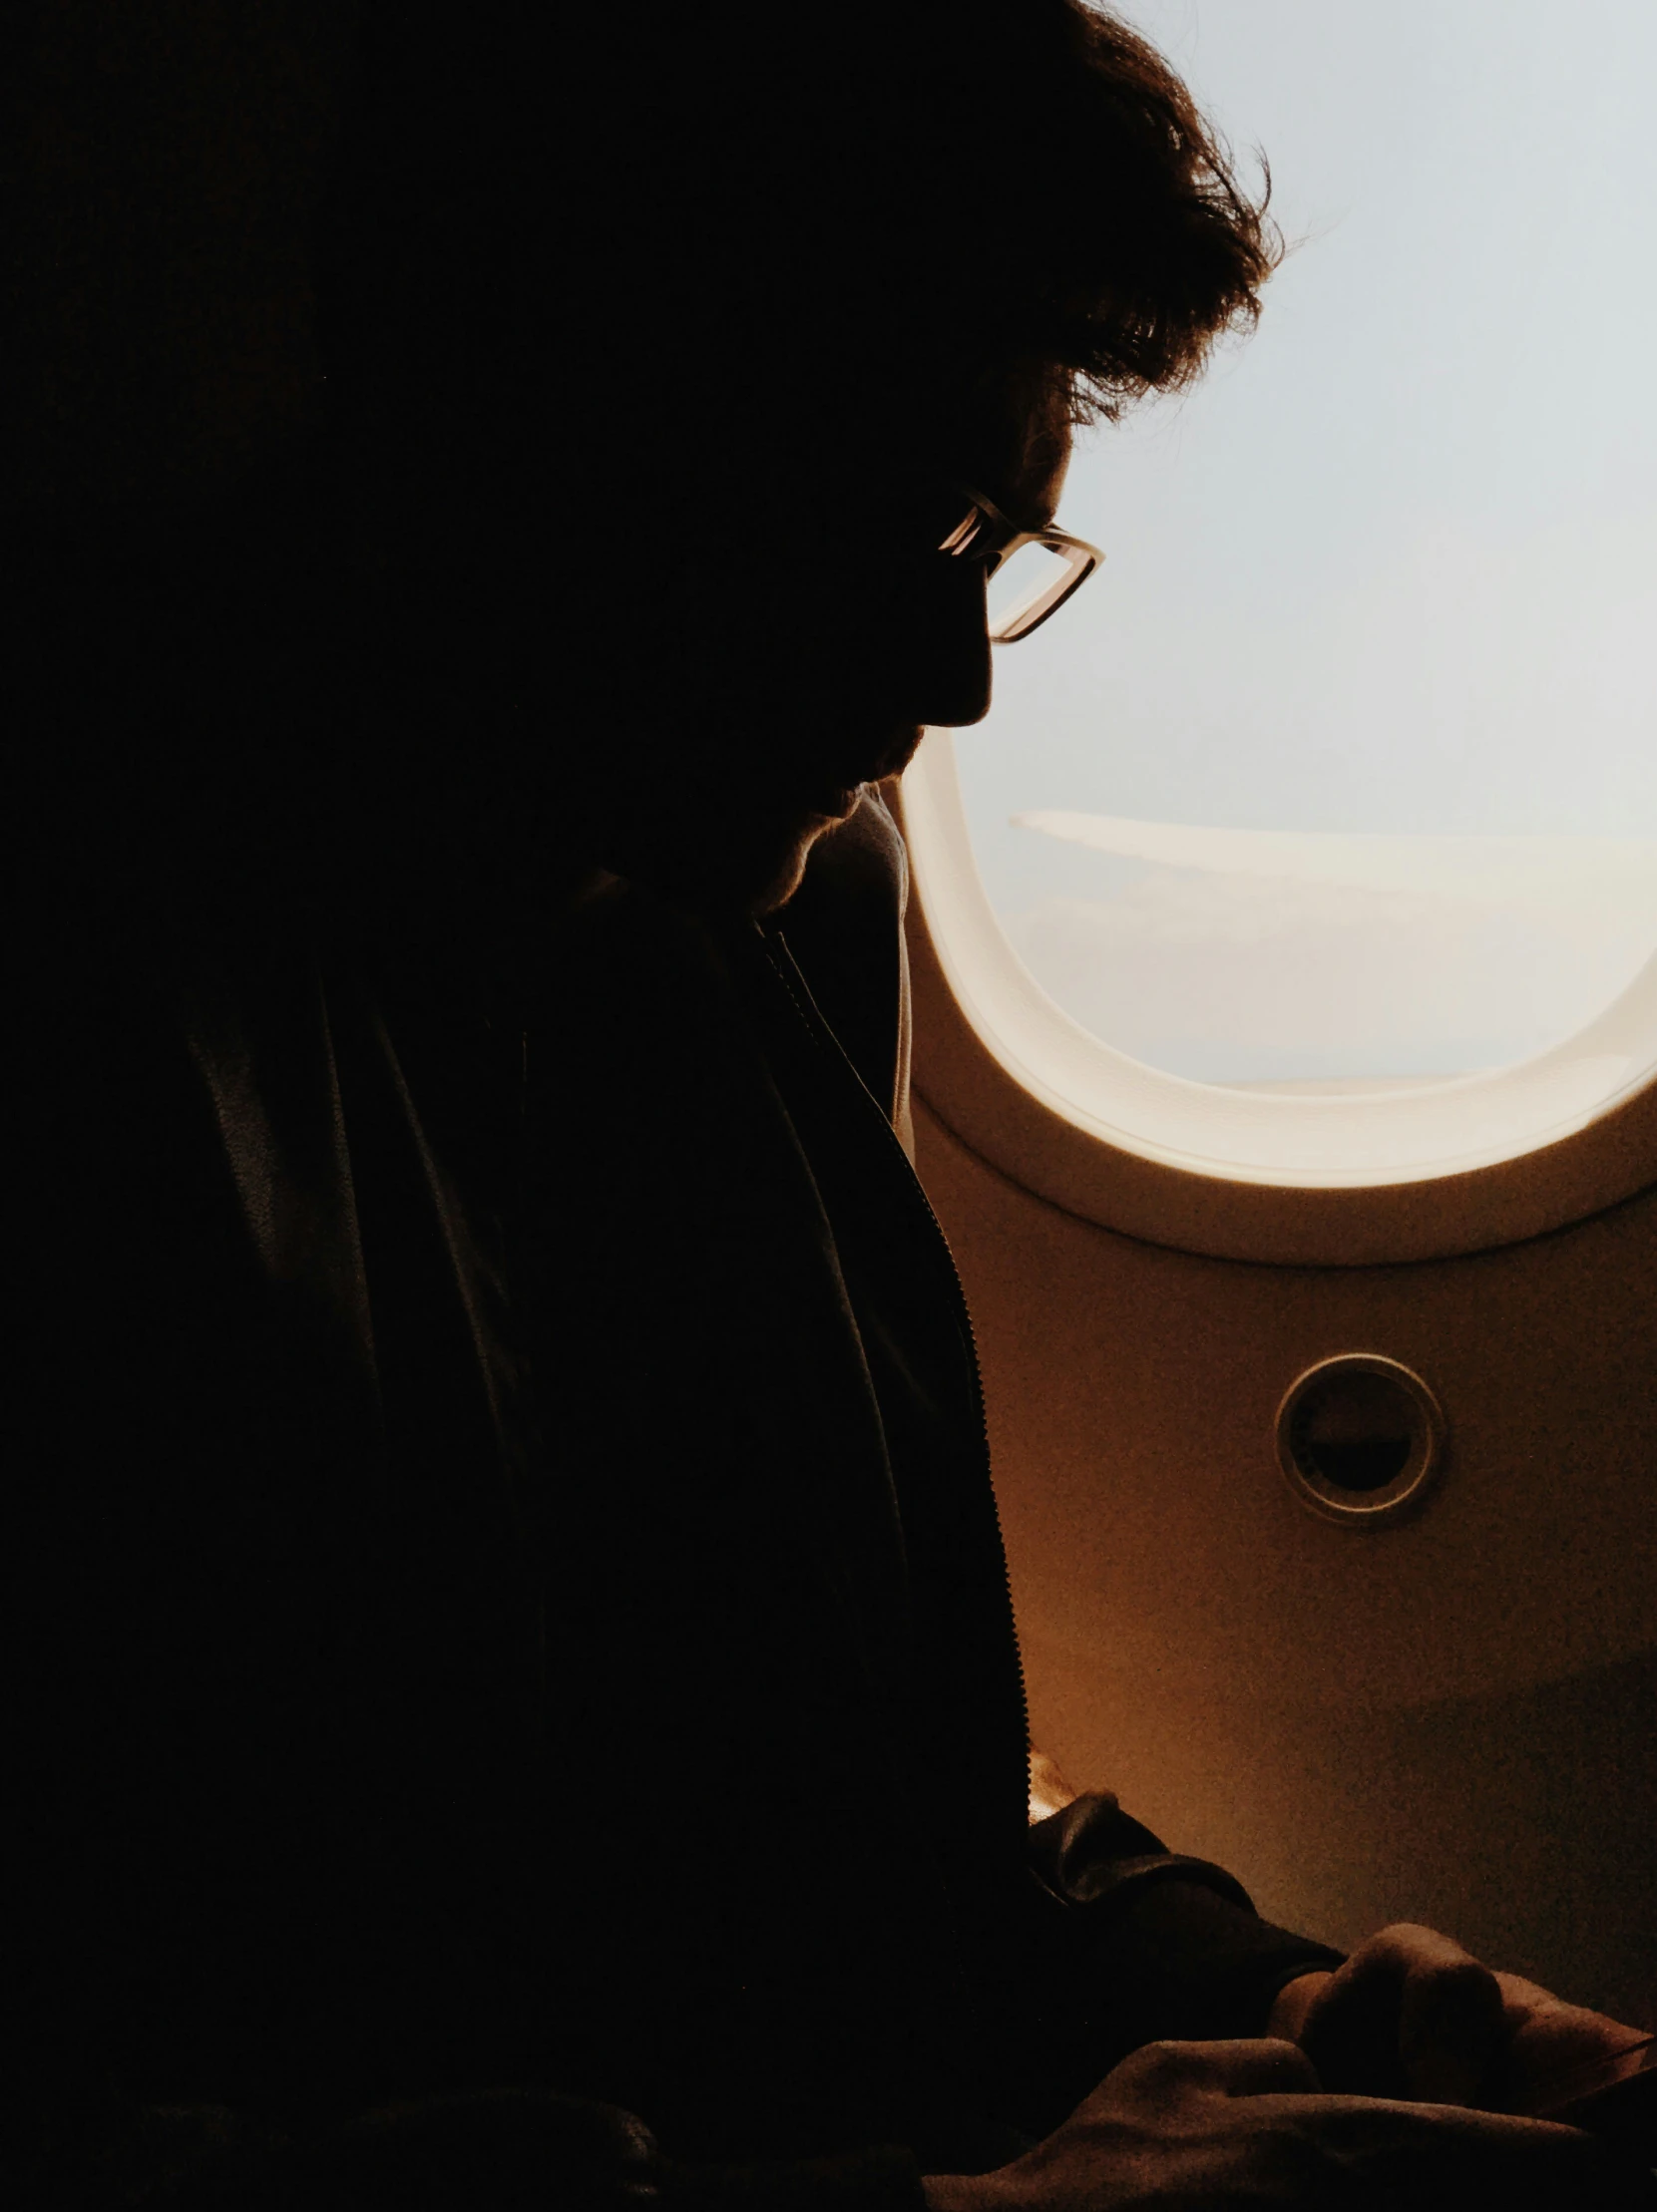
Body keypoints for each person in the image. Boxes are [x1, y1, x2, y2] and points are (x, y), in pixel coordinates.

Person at [5, 1, 1650, 2205]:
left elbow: (863, 1832)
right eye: (904, 521)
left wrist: (1280, 2007)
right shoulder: (103, 949)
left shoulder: (780, 917)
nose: (951, 675)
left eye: (996, 557)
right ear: (560, 416)